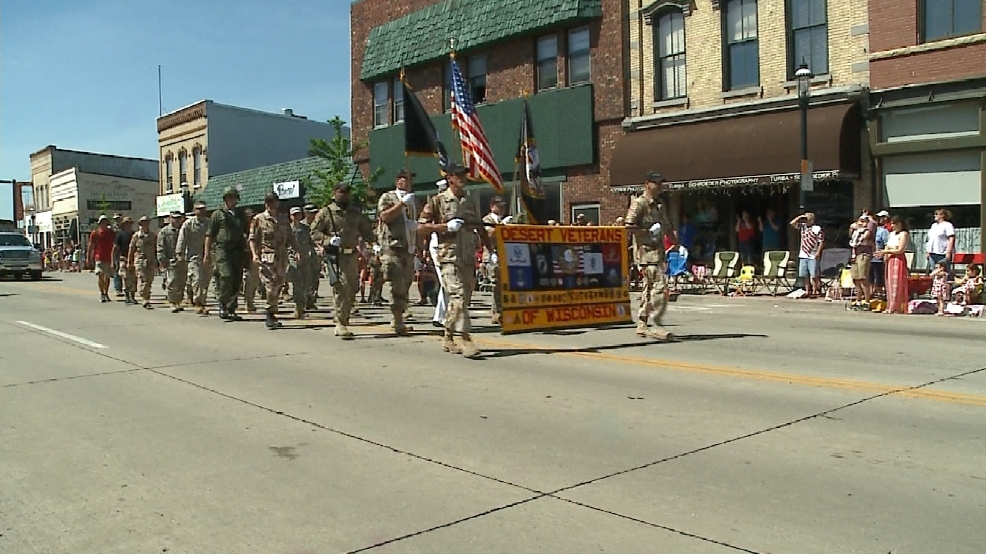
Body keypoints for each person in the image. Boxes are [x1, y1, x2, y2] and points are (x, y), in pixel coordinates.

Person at [417, 161, 490, 357]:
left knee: (462, 301)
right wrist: (444, 227)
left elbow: (479, 227)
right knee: (457, 296)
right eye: (458, 175)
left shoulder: (469, 201)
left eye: (464, 175)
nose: (462, 178)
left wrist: (492, 250)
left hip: (467, 257)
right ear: (449, 178)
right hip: (448, 257)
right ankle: (465, 338)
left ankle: (448, 336)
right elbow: (420, 227)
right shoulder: (438, 201)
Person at [312, 182, 376, 339]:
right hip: (335, 256)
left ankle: (341, 316)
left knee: (352, 287)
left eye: (347, 192)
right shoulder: (326, 212)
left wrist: (375, 244)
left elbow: (366, 230)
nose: (345, 195)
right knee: (341, 288)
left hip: (351, 255)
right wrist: (328, 240)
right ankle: (341, 323)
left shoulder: (355, 213)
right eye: (341, 192)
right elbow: (314, 232)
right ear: (334, 193)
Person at [625, 172, 677, 341]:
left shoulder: (660, 205)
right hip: (645, 253)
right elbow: (628, 226)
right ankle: (653, 324)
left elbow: (667, 226)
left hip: (658, 252)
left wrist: (676, 243)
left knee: (650, 288)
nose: (659, 187)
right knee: (658, 286)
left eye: (661, 183)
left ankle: (643, 323)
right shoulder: (639, 204)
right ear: (647, 184)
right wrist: (647, 231)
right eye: (656, 183)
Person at [376, 168, 419, 334]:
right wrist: (401, 204)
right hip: (392, 248)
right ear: (397, 181)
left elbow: (417, 222)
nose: (408, 182)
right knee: (396, 285)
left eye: (410, 179)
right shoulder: (388, 197)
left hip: (408, 249)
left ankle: (400, 317)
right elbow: (385, 217)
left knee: (406, 284)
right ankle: (397, 321)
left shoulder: (413, 200)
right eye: (404, 179)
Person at [250, 192, 297, 330]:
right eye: (269, 202)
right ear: (266, 204)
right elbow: (252, 239)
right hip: (267, 257)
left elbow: (290, 237)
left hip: (282, 257)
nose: (272, 204)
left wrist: (297, 250)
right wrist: (254, 255)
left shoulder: (283, 219)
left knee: (279, 285)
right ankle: (270, 313)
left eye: (274, 201)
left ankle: (272, 311)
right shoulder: (258, 219)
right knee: (270, 286)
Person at [204, 187, 250, 321]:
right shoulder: (218, 214)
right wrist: (207, 253)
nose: (232, 200)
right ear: (225, 199)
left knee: (237, 279)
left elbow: (247, 232)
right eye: (230, 197)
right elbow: (209, 234)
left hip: (238, 250)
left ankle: (231, 308)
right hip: (222, 249)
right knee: (226, 275)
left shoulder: (240, 214)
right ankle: (223, 303)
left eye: (234, 197)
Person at [177, 201, 212, 315]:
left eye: (203, 209)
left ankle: (197, 297)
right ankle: (199, 303)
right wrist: (179, 253)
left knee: (205, 280)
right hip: (193, 256)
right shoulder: (188, 223)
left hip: (208, 255)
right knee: (197, 279)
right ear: (194, 210)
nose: (201, 211)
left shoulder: (209, 223)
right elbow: (182, 239)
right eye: (198, 209)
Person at [482, 196, 512, 325]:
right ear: (492, 206)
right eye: (499, 206)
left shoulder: (503, 220)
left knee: (503, 284)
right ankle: (497, 312)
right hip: (492, 255)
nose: (502, 208)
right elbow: (489, 234)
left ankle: (500, 310)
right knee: (496, 285)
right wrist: (502, 226)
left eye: (503, 206)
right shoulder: (487, 219)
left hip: (504, 255)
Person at [876, 216, 910, 314]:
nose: (892, 226)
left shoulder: (904, 234)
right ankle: (890, 305)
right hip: (890, 259)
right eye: (891, 224)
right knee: (889, 283)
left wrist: (886, 251)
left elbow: (900, 249)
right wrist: (884, 255)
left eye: (894, 224)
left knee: (897, 283)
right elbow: (888, 245)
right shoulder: (891, 234)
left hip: (898, 259)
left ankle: (898, 306)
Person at [157, 211, 188, 313]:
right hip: (171, 260)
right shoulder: (164, 231)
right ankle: (172, 302)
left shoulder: (184, 230)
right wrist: (162, 259)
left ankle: (178, 301)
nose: (177, 220)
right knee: (172, 281)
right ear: (170, 218)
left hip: (183, 260)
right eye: (175, 218)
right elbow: (160, 246)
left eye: (179, 218)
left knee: (182, 282)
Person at [288, 206, 314, 320]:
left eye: (298, 214)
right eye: (294, 215)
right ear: (291, 216)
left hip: (305, 258)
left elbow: (311, 241)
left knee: (306, 284)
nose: (296, 217)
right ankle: (298, 309)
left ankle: (301, 308)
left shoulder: (305, 228)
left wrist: (315, 250)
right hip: (293, 259)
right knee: (297, 284)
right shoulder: (287, 229)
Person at [791, 212, 825, 298]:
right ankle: (807, 290)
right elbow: (792, 223)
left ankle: (815, 290)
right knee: (805, 275)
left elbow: (821, 241)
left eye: (808, 219)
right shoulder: (803, 227)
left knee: (814, 275)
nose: (806, 220)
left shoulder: (817, 228)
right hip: (803, 254)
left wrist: (818, 252)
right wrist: (800, 217)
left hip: (813, 254)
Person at [86, 214, 117, 303]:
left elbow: (115, 244)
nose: (104, 224)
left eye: (105, 222)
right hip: (99, 257)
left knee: (107, 276)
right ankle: (102, 293)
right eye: (102, 222)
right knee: (100, 275)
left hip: (108, 257)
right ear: (99, 224)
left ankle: (106, 293)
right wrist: (89, 258)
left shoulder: (111, 233)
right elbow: (91, 246)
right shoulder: (95, 233)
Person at [848, 210, 876, 310]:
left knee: (863, 278)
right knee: (856, 278)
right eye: (860, 221)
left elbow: (864, 237)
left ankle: (867, 301)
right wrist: (854, 228)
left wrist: (865, 222)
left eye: (863, 221)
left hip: (864, 255)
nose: (861, 223)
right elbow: (851, 233)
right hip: (855, 254)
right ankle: (858, 300)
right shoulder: (856, 231)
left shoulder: (868, 230)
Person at [128, 216, 157, 309]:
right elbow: (131, 249)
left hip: (151, 260)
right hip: (140, 260)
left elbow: (156, 249)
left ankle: (146, 295)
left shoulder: (153, 236)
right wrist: (130, 261)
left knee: (149, 280)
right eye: (144, 222)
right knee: (144, 279)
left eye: (147, 222)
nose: (146, 224)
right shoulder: (136, 236)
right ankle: (145, 299)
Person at [242, 208, 260, 312]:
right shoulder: (241, 229)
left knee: (254, 280)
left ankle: (250, 301)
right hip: (244, 257)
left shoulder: (257, 228)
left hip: (255, 256)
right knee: (247, 279)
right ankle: (247, 302)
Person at [304, 203, 321, 309]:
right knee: (306, 278)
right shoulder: (301, 225)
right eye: (312, 213)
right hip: (305, 254)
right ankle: (306, 299)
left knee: (315, 277)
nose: (314, 214)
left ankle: (312, 299)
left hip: (316, 254)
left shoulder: (318, 224)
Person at [871, 210, 890, 299]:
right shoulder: (873, 229)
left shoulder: (884, 231)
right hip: (870, 256)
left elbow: (887, 244)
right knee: (870, 277)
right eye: (879, 217)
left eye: (882, 217)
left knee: (879, 277)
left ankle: (880, 294)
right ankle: (871, 293)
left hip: (879, 258)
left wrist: (884, 255)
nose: (880, 219)